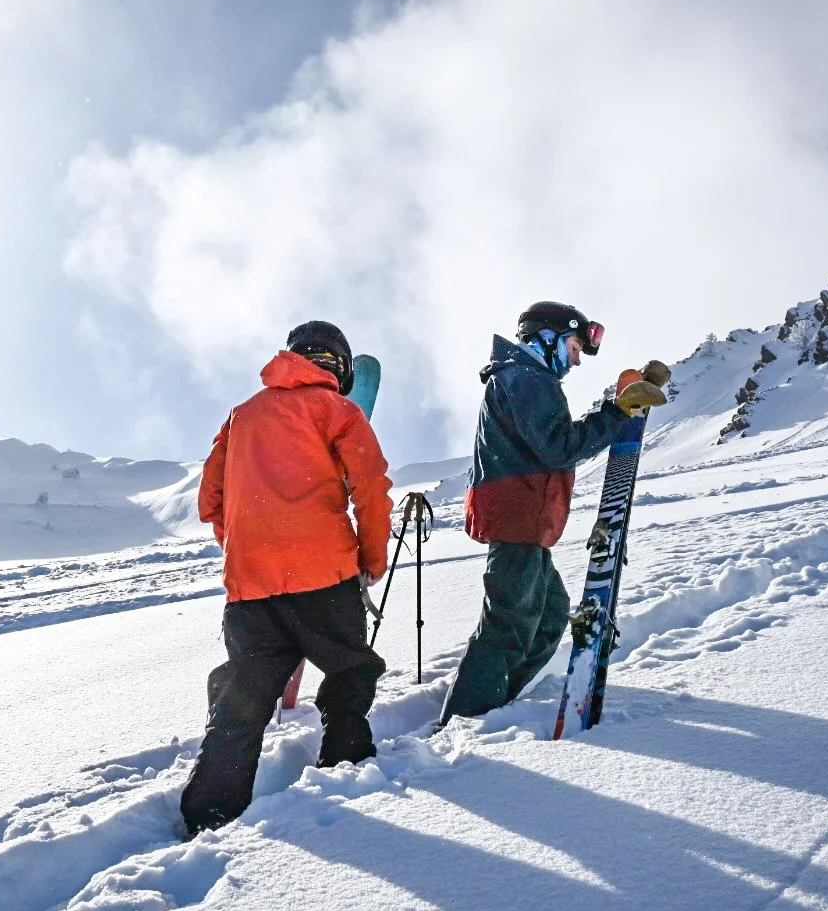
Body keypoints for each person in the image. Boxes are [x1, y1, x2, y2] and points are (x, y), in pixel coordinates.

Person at [181, 321, 393, 837]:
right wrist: (372, 558)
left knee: (246, 693)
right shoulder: (337, 410)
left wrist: (250, 552)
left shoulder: (240, 417)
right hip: (324, 577)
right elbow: (369, 489)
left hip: (250, 591)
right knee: (348, 670)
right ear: (340, 367)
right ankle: (344, 776)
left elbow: (210, 501)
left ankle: (209, 814)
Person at [440, 301, 668, 724]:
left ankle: (496, 700)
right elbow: (560, 446)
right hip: (518, 517)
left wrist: (615, 412)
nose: (577, 359)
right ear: (547, 338)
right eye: (576, 346)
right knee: (509, 623)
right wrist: (616, 416)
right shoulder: (527, 379)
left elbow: (552, 439)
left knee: (548, 615)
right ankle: (467, 718)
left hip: (525, 518)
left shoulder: (525, 378)